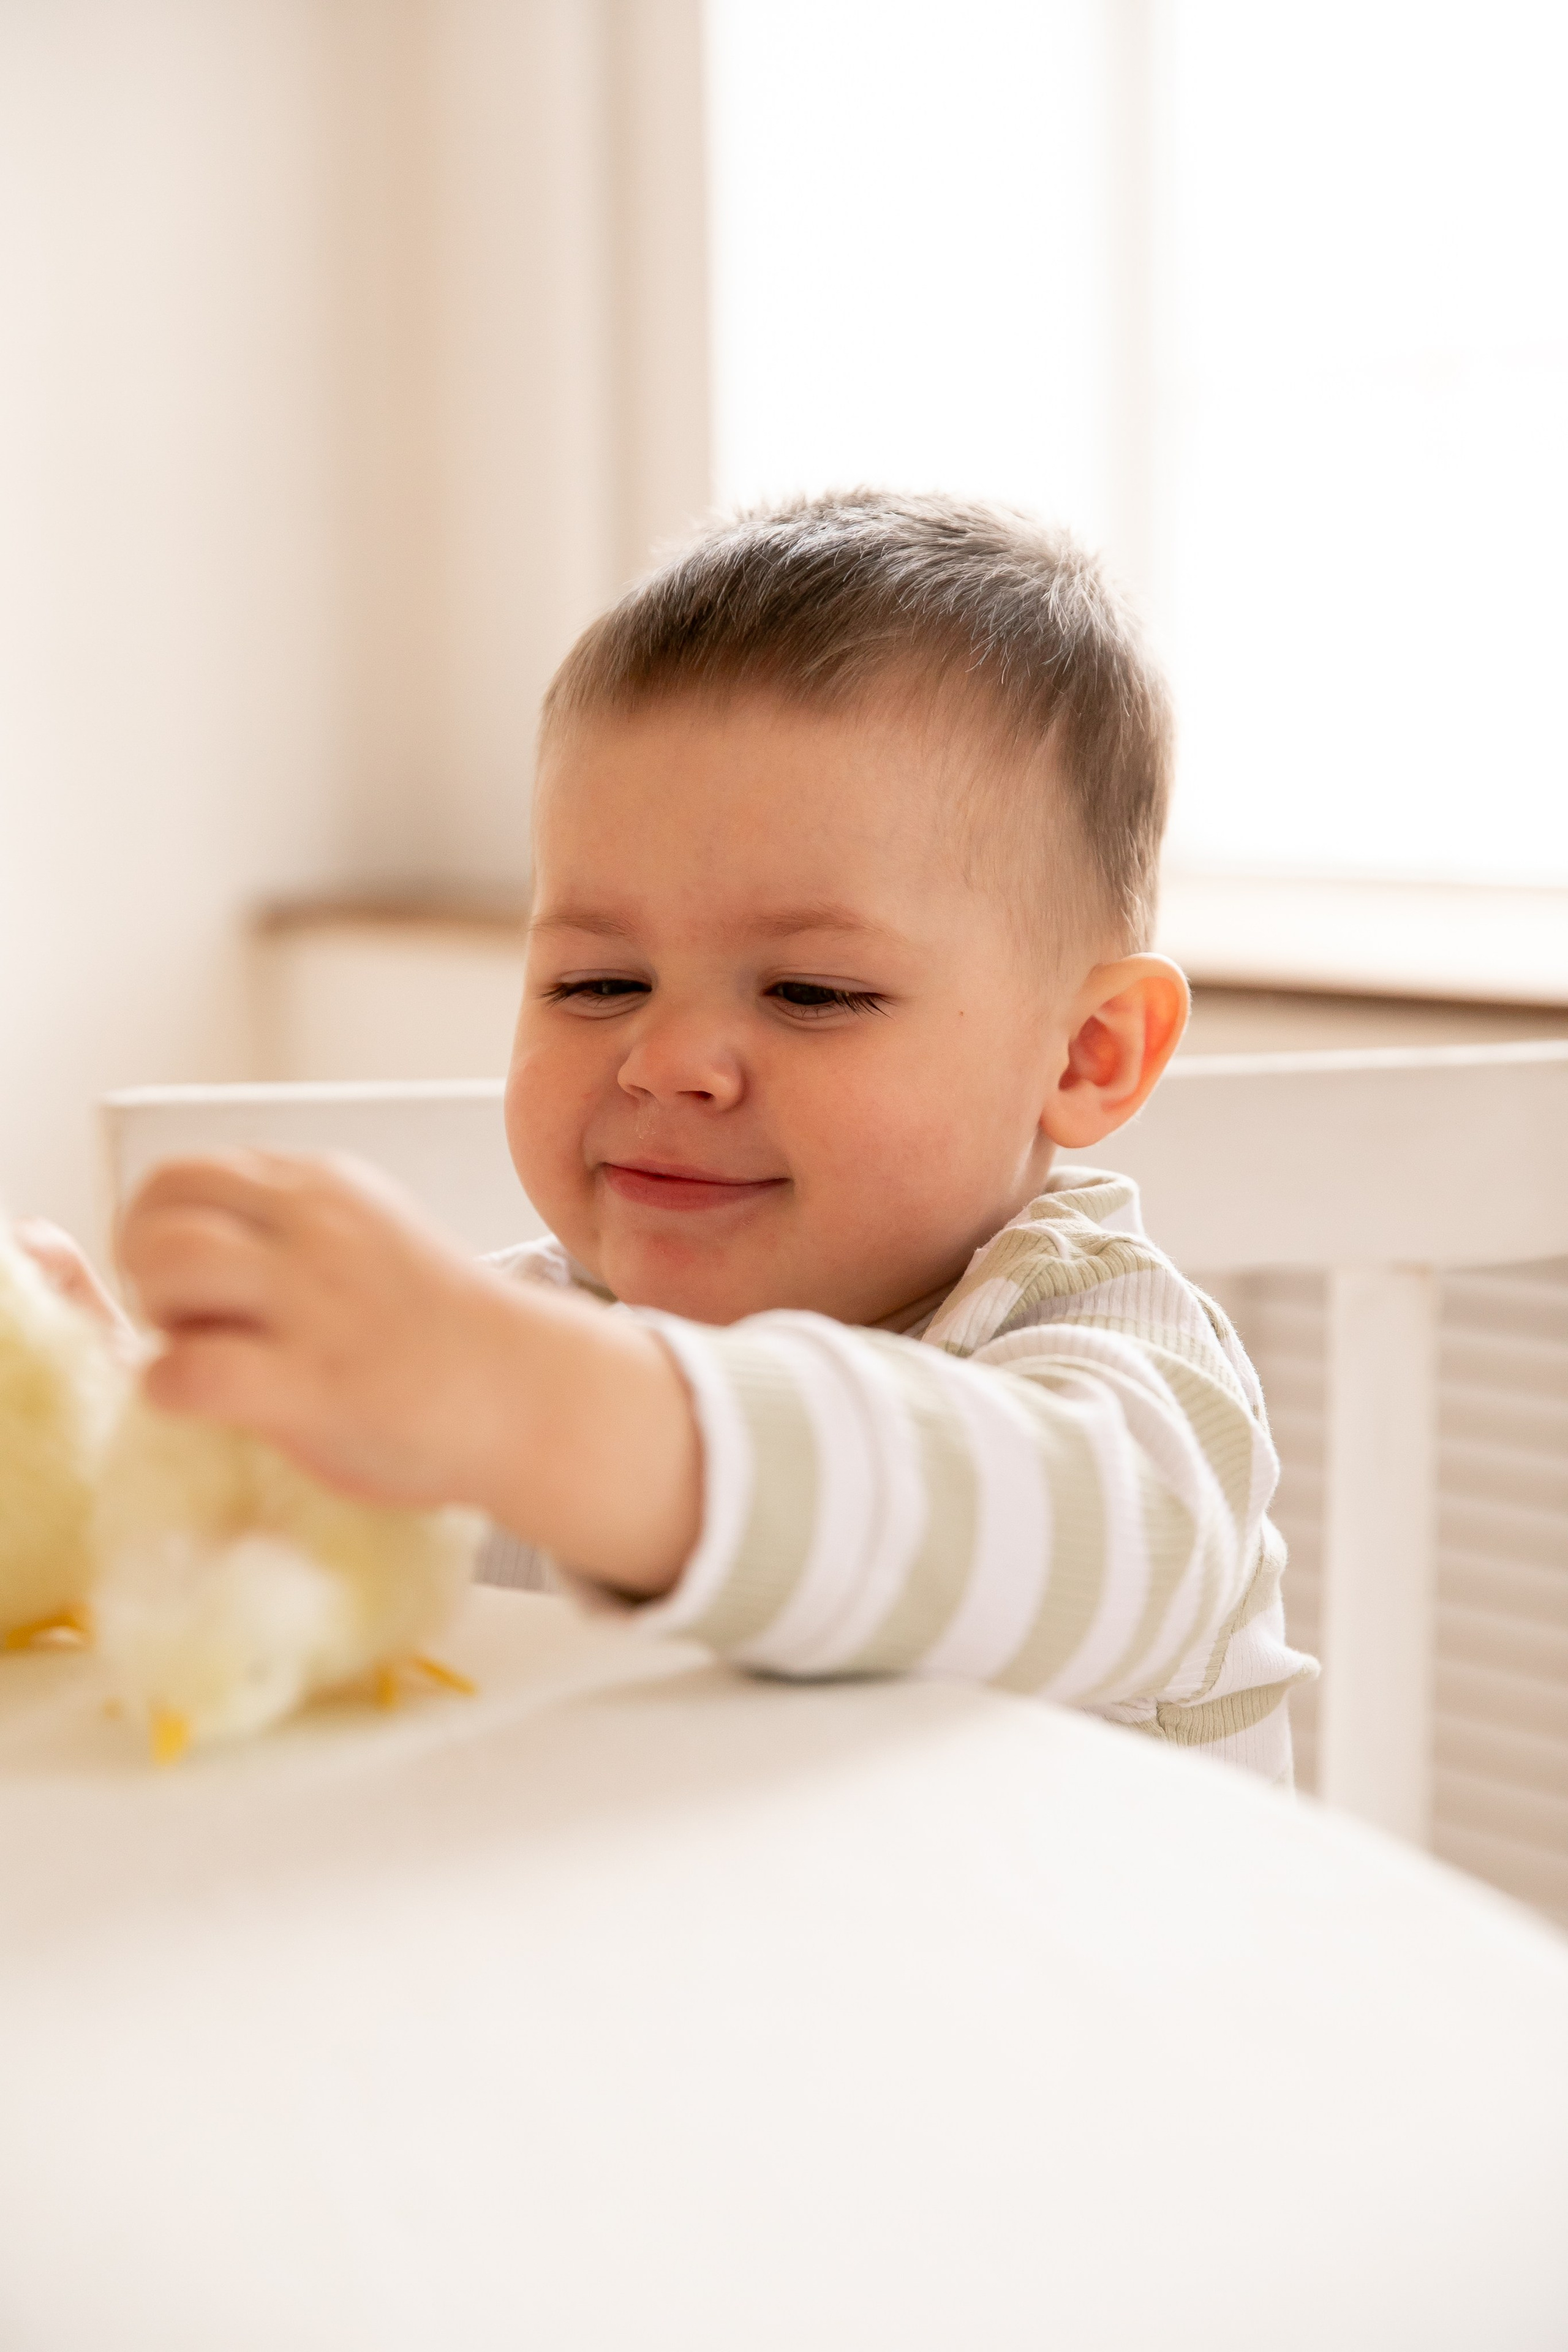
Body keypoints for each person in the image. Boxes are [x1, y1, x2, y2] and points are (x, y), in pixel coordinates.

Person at [92, 493, 1317, 1778]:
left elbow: (1038, 1536)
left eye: (811, 993)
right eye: (597, 982)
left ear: (1085, 1054)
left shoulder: (1129, 1384)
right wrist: (149, 1440)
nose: (665, 1061)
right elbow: (312, 1576)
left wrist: (517, 1399)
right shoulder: (522, 1343)